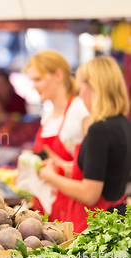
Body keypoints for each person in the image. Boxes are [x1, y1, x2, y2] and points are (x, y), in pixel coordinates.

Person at [39, 56, 131, 232]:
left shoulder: (99, 129)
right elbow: (102, 170)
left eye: (81, 89)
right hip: (115, 221)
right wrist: (62, 165)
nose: (80, 96)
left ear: (94, 88)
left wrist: (51, 177)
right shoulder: (123, 124)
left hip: (95, 226)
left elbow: (89, 194)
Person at [24, 50, 90, 222]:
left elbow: (93, 168)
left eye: (38, 79)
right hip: (47, 207)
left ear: (58, 75)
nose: (34, 86)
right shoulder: (48, 116)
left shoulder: (80, 110)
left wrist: (58, 168)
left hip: (75, 210)